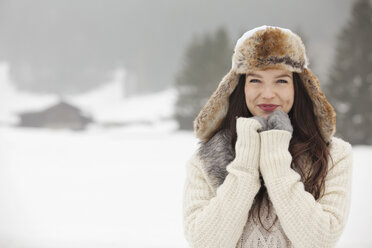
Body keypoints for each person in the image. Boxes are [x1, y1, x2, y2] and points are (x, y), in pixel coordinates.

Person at [182, 25, 353, 248]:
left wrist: (275, 160)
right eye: (255, 80)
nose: (268, 94)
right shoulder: (206, 159)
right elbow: (204, 243)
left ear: (298, 88)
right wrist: (244, 164)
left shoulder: (332, 156)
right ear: (239, 87)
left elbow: (320, 240)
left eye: (281, 81)